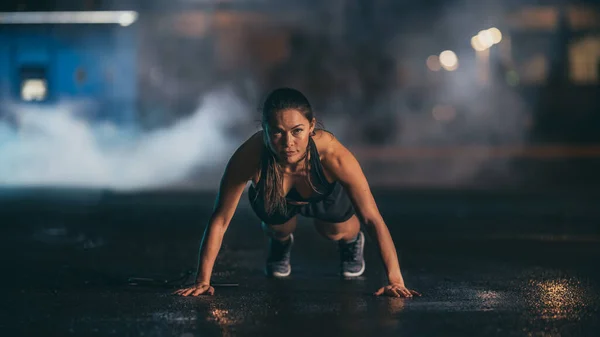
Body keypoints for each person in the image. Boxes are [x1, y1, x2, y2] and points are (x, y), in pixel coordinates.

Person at [173, 88, 421, 298]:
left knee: (333, 231)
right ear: (266, 131)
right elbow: (221, 218)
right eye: (277, 132)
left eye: (297, 131)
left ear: (311, 126)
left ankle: (351, 240)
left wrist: (395, 279)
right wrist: (203, 280)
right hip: (278, 197)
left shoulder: (333, 155)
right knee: (278, 226)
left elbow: (371, 218)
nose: (288, 142)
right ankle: (280, 242)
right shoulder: (250, 156)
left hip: (324, 196)